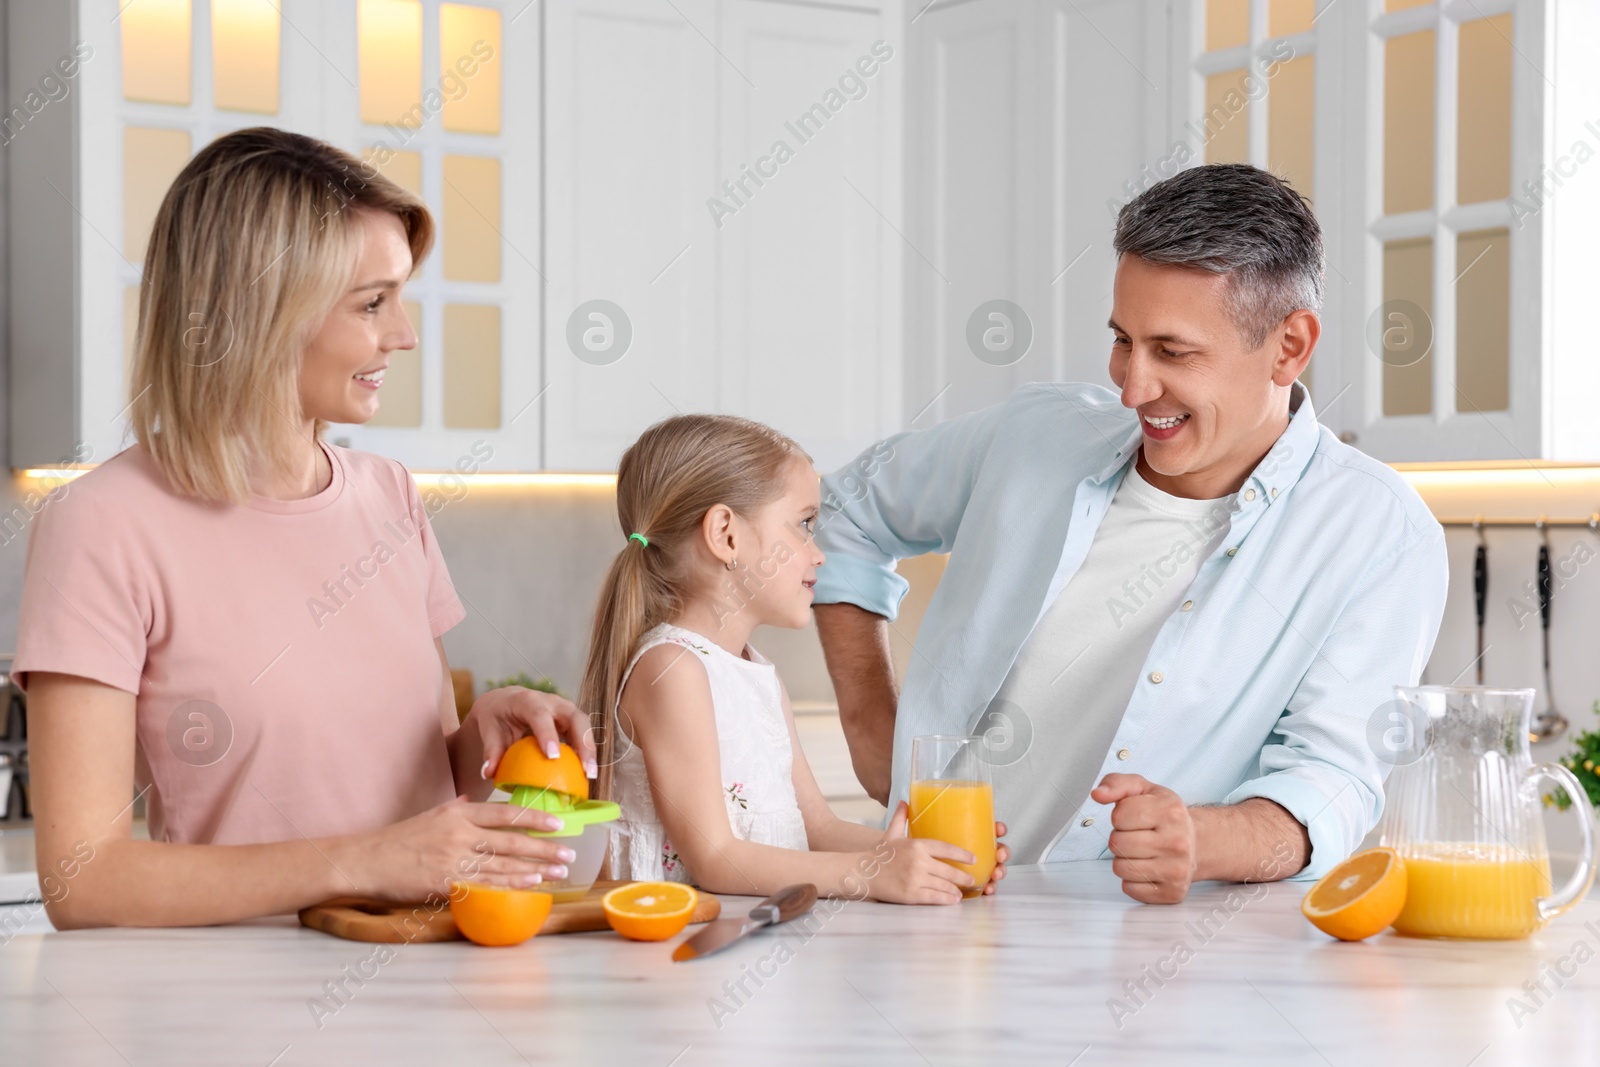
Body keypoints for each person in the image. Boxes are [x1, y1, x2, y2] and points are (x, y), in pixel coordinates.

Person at [811, 163, 1449, 903]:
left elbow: (1333, 782)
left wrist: (1206, 839)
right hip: (926, 909)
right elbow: (843, 512)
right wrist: (870, 728)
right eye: (1123, 340)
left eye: (1173, 352)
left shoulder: (1379, 534)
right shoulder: (1034, 437)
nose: (1132, 386)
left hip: (1134, 957)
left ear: (1289, 346)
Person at [15, 128, 591, 928]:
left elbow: (421, 781)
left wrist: (483, 740)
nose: (404, 334)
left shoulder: (389, 496)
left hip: (432, 975)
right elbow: (84, 882)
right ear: (259, 310)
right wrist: (361, 861)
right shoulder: (102, 524)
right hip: (245, 1008)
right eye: (371, 302)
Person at [582, 414, 1010, 904]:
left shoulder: (755, 673)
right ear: (726, 534)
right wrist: (871, 873)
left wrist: (930, 857)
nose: (819, 553)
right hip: (675, 957)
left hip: (747, 938)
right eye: (805, 524)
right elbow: (716, 857)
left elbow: (818, 828)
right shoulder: (673, 671)